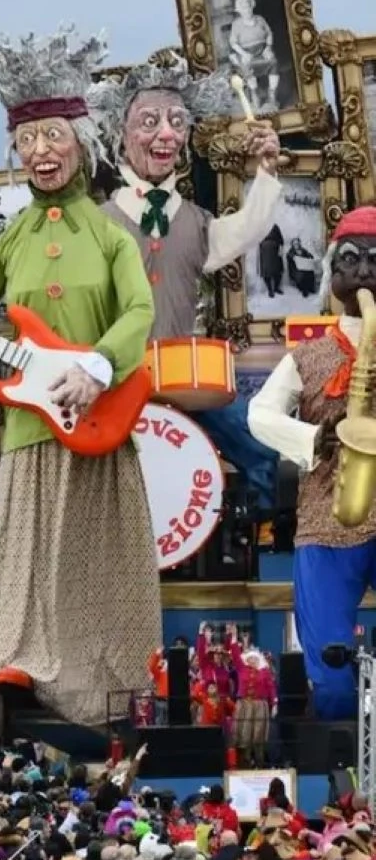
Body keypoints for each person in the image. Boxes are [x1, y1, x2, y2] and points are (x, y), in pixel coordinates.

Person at [0, 26, 160, 729]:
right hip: (28, 426)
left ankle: (99, 681)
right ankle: (16, 663)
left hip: (98, 418)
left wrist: (95, 366)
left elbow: (139, 311)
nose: (41, 153)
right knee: (21, 558)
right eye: (27, 141)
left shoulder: (112, 233)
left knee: (89, 564)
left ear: (81, 142)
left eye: (53, 137)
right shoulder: (11, 237)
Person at [87, 52, 284, 527]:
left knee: (257, 444)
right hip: (113, 378)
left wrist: (267, 170)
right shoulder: (96, 224)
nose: (165, 133)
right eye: (149, 121)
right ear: (123, 135)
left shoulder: (195, 222)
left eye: (177, 121)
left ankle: (250, 525)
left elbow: (248, 229)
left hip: (180, 375)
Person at [247, 205, 376, 720]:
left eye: (375, 259)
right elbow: (259, 413)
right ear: (333, 272)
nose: (365, 270)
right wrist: (311, 436)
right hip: (327, 519)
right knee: (329, 664)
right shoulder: (307, 355)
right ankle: (343, 771)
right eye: (352, 259)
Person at [229, 0, 280, 113]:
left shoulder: (260, 19)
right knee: (247, 66)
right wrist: (244, 54)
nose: (247, 11)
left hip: (262, 50)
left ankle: (272, 95)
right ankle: (255, 93)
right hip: (246, 52)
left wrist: (268, 48)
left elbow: (269, 34)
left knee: (273, 62)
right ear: (239, 11)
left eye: (248, 7)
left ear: (252, 7)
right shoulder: (236, 24)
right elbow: (233, 43)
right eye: (243, 9)